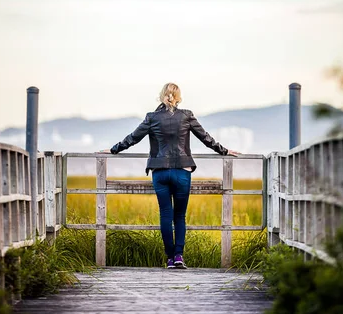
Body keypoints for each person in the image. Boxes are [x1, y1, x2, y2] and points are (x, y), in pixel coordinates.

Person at [103, 82, 240, 269]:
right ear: (178, 97)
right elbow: (206, 138)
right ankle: (178, 256)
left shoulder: (151, 118)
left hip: (159, 172)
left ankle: (169, 259)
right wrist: (224, 151)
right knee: (180, 216)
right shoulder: (187, 116)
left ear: (162, 96)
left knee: (166, 214)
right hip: (182, 171)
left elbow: (133, 138)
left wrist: (113, 149)